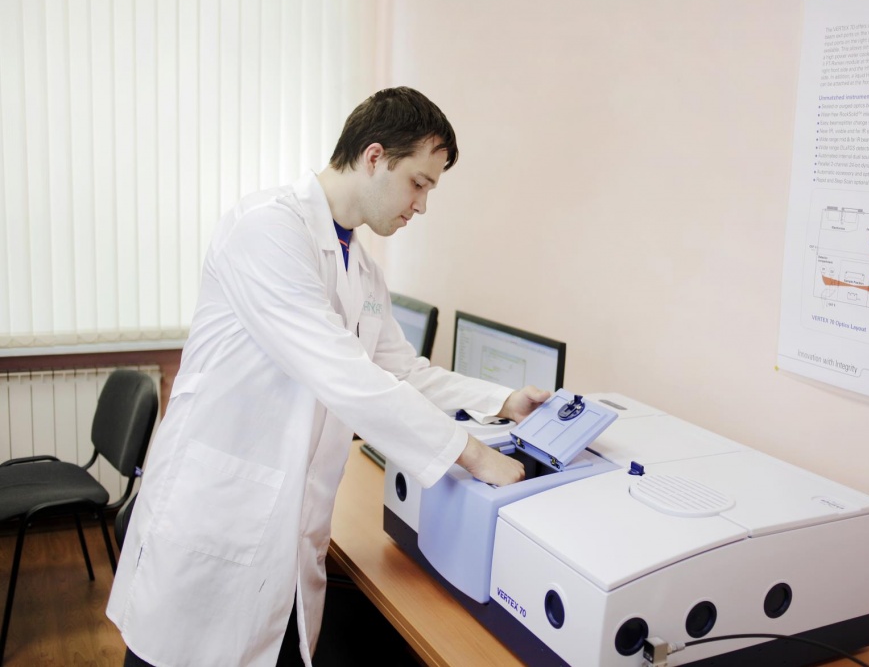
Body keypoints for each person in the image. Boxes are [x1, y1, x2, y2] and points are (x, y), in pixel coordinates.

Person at [107, 87, 548, 667]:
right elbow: (344, 375)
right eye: (418, 183)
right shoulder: (265, 230)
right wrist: (474, 455)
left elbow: (403, 371)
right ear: (374, 156)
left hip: (290, 537)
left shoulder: (361, 269)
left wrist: (504, 399)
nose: (421, 206)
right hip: (216, 523)